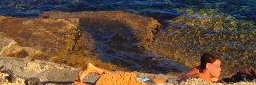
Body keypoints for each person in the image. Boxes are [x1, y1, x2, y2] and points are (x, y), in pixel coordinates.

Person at [75, 52, 221, 85]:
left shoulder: (197, 69)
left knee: (125, 79)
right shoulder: (200, 79)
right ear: (208, 66)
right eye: (218, 67)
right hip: (153, 84)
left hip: (156, 81)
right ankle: (92, 69)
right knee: (123, 81)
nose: (220, 70)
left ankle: (94, 69)